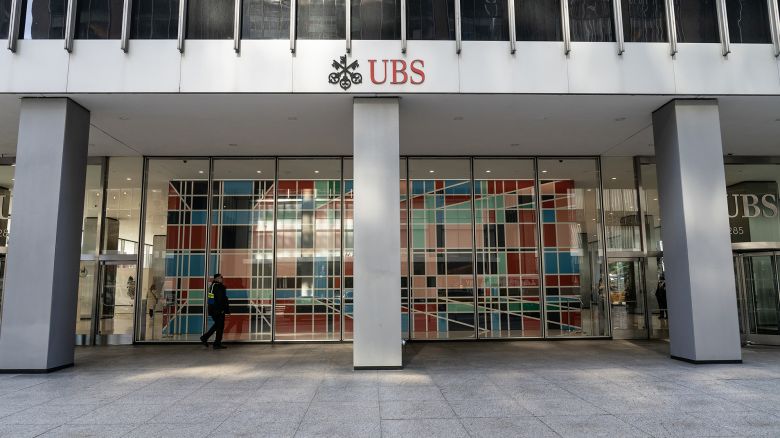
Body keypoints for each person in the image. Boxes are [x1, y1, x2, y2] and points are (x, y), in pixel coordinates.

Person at [201, 273, 230, 349]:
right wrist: (221, 310)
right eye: (221, 277)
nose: (222, 279)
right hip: (218, 310)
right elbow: (220, 300)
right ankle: (210, 340)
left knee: (218, 326)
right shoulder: (218, 287)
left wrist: (212, 308)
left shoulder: (213, 286)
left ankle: (215, 342)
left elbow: (211, 299)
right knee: (219, 326)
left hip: (215, 310)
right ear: (216, 278)